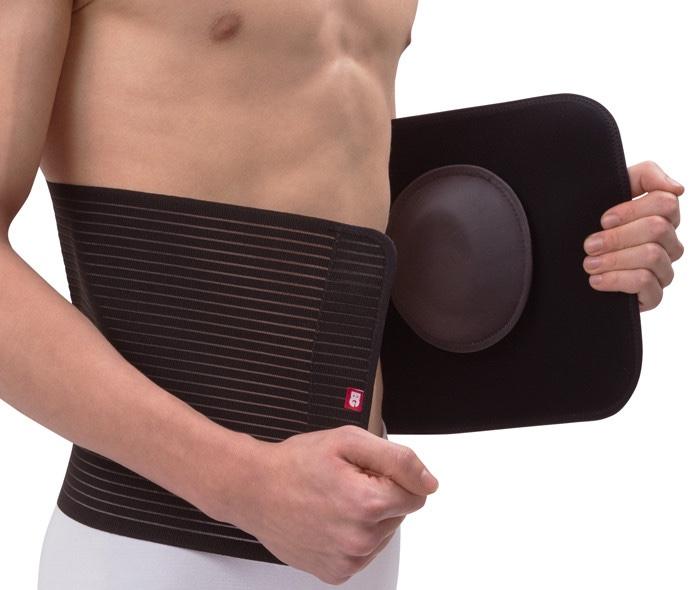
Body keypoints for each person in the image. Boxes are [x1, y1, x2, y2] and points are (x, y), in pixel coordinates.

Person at [0, 0, 685, 588]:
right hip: (153, 551)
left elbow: (335, 204)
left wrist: (573, 240)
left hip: (359, 543)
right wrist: (245, 485)